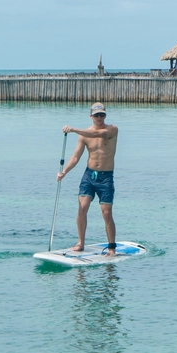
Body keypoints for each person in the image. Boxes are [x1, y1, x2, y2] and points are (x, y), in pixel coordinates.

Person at [56, 102, 119, 255]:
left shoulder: (112, 129)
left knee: (106, 213)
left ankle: (111, 247)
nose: (99, 117)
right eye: (96, 115)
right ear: (91, 116)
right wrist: (64, 172)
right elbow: (76, 157)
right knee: (82, 208)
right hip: (89, 175)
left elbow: (99, 134)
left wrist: (74, 129)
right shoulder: (84, 136)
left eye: (102, 115)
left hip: (106, 177)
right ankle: (81, 242)